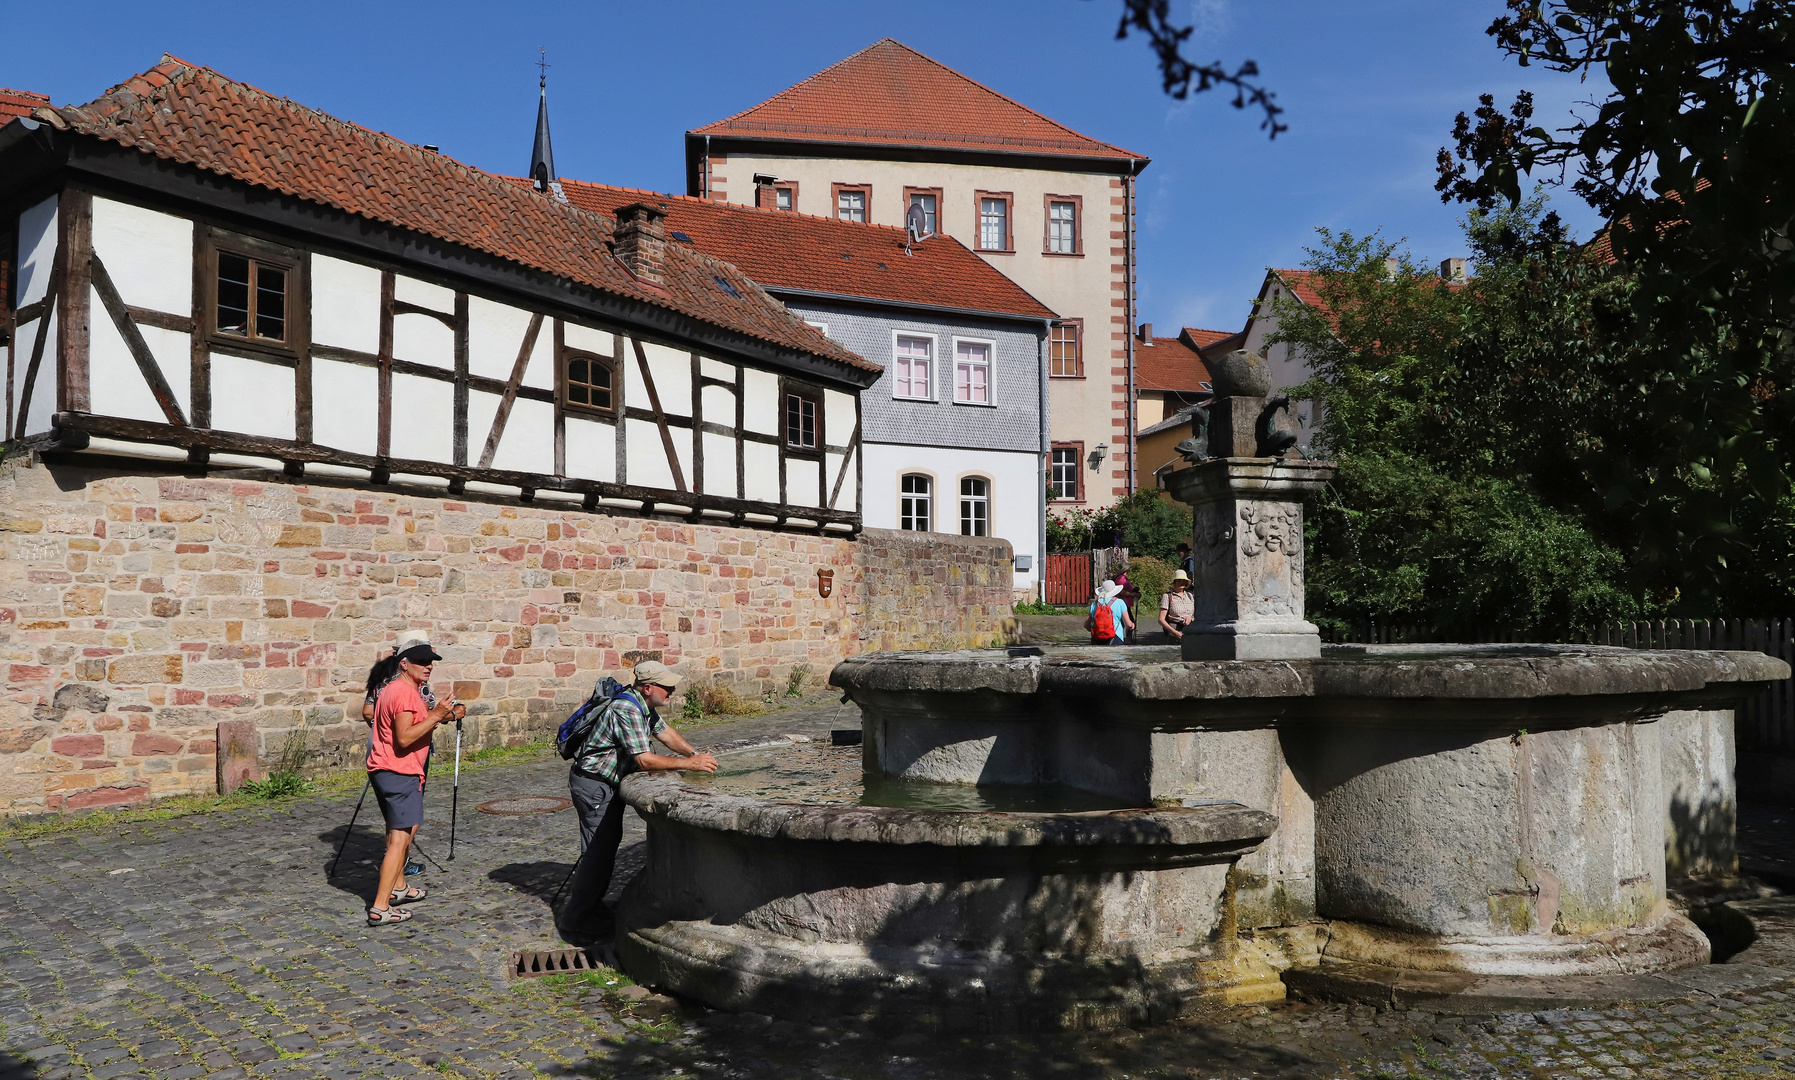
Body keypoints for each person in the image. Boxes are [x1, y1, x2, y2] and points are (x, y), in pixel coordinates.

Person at [563, 660, 718, 945]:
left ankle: (591, 908)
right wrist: (689, 764)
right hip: (594, 786)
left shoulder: (643, 705)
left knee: (605, 847)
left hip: (607, 783)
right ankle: (578, 919)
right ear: (648, 688)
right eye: (667, 687)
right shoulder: (627, 708)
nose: (672, 690)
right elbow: (644, 759)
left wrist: (696, 754)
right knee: (598, 853)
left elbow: (666, 733)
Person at [366, 640, 464, 925]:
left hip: (386, 769)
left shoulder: (394, 689)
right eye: (422, 661)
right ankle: (380, 906)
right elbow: (405, 737)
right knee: (400, 839)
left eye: (431, 661)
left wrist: (441, 714)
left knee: (404, 831)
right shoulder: (404, 694)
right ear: (404, 664)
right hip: (399, 772)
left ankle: (397, 888)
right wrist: (435, 715)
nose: (428, 666)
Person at [363, 631, 437, 879]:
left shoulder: (382, 677)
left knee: (394, 823)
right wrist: (441, 715)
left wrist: (381, 731)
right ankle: (390, 889)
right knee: (404, 827)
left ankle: (398, 883)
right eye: (422, 658)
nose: (428, 665)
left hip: (380, 755)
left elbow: (367, 711)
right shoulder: (407, 685)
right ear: (405, 658)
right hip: (402, 761)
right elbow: (413, 726)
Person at [1085, 580, 1134, 645]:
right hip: (1116, 638)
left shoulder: (1095, 604)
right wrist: (1133, 625)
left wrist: (1099, 630)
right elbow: (1128, 625)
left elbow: (1086, 625)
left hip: (1097, 638)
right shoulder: (1120, 602)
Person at [1158, 569, 1196, 643]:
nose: (1181, 583)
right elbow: (1161, 619)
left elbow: (1194, 614)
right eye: (1179, 580)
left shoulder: (1190, 596)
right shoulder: (1167, 596)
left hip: (1190, 631)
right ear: (1174, 582)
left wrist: (1190, 617)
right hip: (1174, 631)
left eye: (1183, 581)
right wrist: (1175, 632)